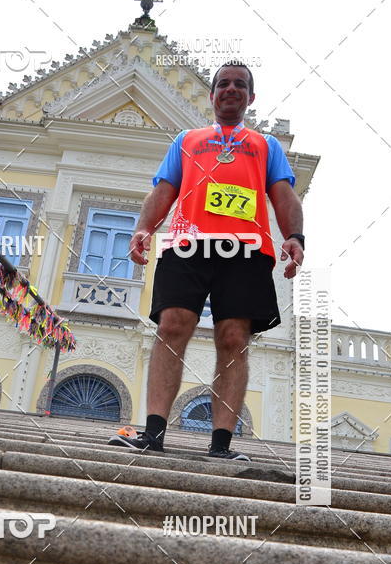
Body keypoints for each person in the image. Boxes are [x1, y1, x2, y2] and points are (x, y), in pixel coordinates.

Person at [109, 61, 304, 460]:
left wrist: (295, 237)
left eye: (240, 85)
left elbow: (283, 195)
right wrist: (143, 228)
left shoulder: (266, 145)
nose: (231, 89)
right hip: (187, 243)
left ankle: (220, 445)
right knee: (172, 325)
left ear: (251, 97)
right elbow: (164, 189)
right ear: (212, 94)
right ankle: (153, 434)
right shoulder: (186, 139)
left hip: (246, 250)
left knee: (233, 338)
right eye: (223, 84)